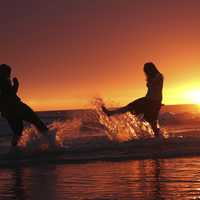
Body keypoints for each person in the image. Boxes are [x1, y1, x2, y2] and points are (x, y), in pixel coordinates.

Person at [102, 62, 164, 137]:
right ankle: (111, 113)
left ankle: (157, 136)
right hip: (148, 99)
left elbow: (155, 86)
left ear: (151, 69)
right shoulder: (152, 77)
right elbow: (151, 88)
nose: (146, 73)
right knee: (132, 108)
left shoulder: (159, 76)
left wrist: (158, 103)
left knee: (151, 120)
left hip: (152, 101)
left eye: (147, 70)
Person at [0, 64, 48, 146]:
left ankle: (14, 150)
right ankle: (52, 142)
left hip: (8, 111)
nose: (9, 74)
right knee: (36, 121)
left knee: (17, 132)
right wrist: (16, 86)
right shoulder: (3, 81)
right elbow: (8, 95)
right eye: (8, 72)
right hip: (16, 107)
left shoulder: (4, 80)